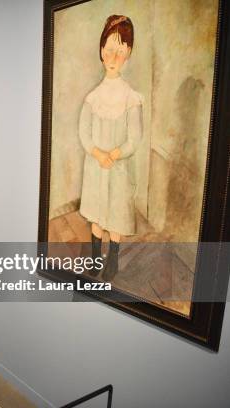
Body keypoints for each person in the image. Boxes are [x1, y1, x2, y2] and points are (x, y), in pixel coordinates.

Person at [79, 15, 142, 281]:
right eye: (109, 50)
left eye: (120, 51)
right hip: (96, 167)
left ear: (127, 53)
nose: (113, 57)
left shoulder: (131, 97)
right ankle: (95, 259)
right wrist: (97, 154)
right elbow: (84, 133)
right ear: (101, 51)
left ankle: (112, 261)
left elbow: (134, 137)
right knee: (96, 216)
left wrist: (113, 155)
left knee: (114, 217)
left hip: (118, 169)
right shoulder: (92, 98)